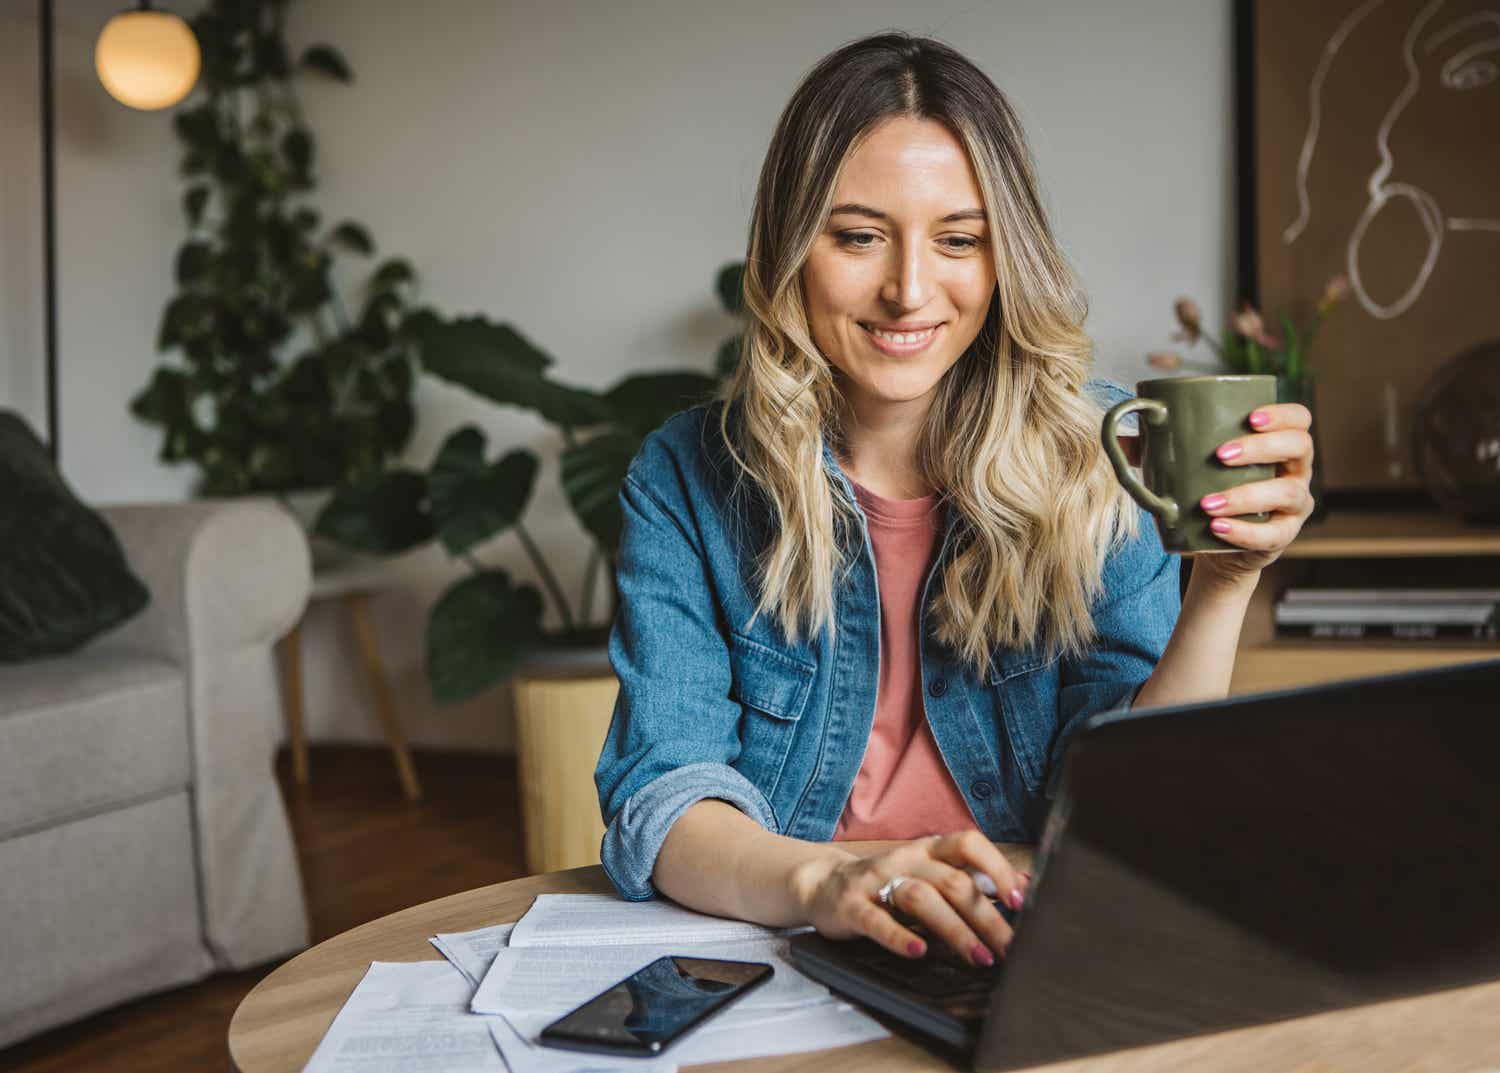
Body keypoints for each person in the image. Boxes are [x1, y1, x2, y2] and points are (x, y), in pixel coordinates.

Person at [594, 32, 1315, 972]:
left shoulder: (1104, 455)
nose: (908, 291)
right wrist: (829, 884)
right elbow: (665, 795)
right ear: (787, 251)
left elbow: (1133, 798)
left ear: (1003, 255)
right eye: (857, 236)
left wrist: (1222, 584)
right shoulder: (685, 477)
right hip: (790, 941)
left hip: (1029, 937)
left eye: (959, 239)